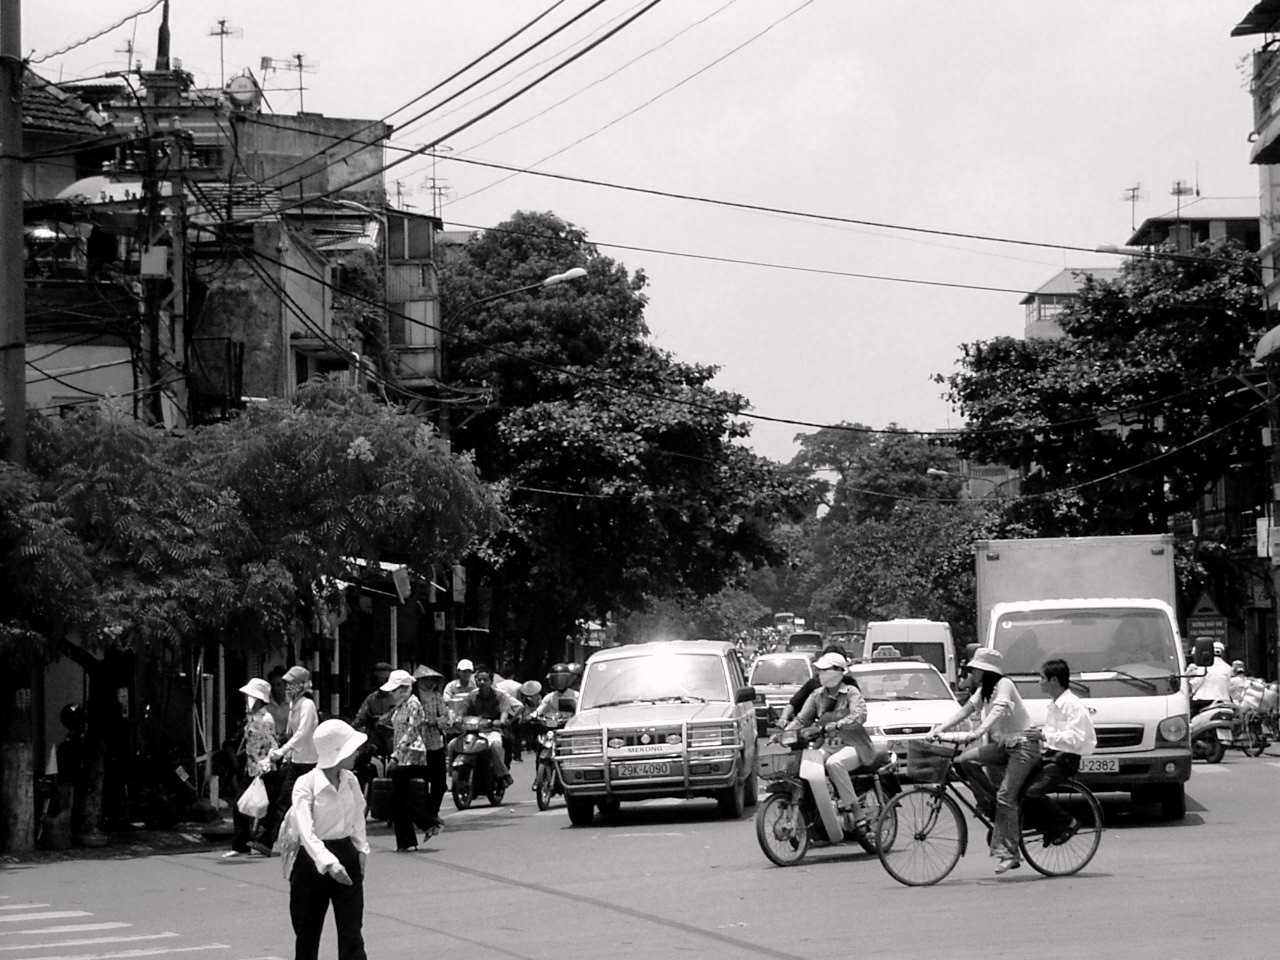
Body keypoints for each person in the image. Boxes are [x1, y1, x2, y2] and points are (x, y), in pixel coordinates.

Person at [931, 647, 1040, 875]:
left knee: (1006, 796)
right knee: (966, 761)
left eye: (975, 669)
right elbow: (966, 710)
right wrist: (939, 729)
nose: (972, 672)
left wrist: (979, 731)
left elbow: (999, 710)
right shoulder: (984, 690)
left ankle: (1010, 854)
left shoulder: (1005, 685)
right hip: (1004, 745)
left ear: (985, 670)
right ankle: (990, 805)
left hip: (1023, 747)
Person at [289, 719, 369, 960]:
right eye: (351, 749)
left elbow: (358, 819)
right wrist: (328, 863)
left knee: (352, 933)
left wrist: (361, 852)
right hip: (311, 862)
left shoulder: (351, 780)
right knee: (307, 934)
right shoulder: (306, 784)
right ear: (338, 752)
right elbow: (306, 831)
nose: (356, 754)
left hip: (347, 853)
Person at [783, 652, 879, 837]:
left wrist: (839, 724)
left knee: (834, 763)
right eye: (820, 670)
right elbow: (802, 719)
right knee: (808, 764)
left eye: (825, 670)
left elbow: (860, 715)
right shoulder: (817, 695)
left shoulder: (851, 692)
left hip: (854, 746)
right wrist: (785, 732)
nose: (821, 673)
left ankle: (857, 810)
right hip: (828, 745)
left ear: (838, 672)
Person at [1022, 658, 1096, 847]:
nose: (1039, 681)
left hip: (1065, 761)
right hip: (1050, 757)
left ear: (1054, 680)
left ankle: (1067, 822)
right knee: (1018, 787)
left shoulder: (1073, 705)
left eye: (1042, 677)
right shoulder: (1054, 705)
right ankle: (1045, 825)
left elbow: (1075, 739)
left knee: (1032, 793)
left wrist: (1043, 735)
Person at [380, 670, 437, 852]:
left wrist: (396, 754)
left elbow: (412, 732)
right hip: (401, 755)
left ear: (404, 689)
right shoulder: (400, 706)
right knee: (399, 800)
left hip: (411, 755)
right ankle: (407, 841)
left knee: (397, 798)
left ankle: (428, 823)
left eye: (395, 690)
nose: (392, 694)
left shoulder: (414, 705)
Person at [265, 665, 320, 852]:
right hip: (295, 761)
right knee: (283, 801)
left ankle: (313, 840)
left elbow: (302, 733)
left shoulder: (307, 705)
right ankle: (266, 841)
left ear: (301, 685)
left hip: (310, 763)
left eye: (291, 684)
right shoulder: (293, 705)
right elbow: (290, 733)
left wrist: (282, 750)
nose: (287, 687)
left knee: (309, 804)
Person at [229, 678, 280, 858]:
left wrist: (266, 762)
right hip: (251, 769)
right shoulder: (252, 718)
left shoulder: (266, 719)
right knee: (242, 806)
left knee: (265, 809)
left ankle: (261, 840)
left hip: (263, 770)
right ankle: (241, 844)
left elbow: (274, 744)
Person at [448, 666, 517, 788]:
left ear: (491, 681)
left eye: (485, 680)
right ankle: (453, 775)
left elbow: (504, 712)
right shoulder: (471, 696)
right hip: (473, 732)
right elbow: (462, 712)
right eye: (479, 680)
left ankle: (503, 774)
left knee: (495, 746)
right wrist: (457, 720)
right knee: (452, 745)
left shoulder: (500, 696)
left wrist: (500, 721)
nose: (482, 682)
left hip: (492, 731)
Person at [777, 644, 857, 727]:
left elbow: (858, 714)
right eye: (823, 669)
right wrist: (785, 723)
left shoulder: (851, 690)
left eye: (828, 668)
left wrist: (839, 724)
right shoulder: (816, 693)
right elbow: (801, 716)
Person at [412, 665, 450, 833]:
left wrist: (434, 722)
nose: (431, 682)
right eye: (428, 680)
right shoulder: (412, 698)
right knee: (419, 783)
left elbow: (445, 718)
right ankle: (422, 815)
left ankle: (432, 812)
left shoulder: (436, 697)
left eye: (433, 680)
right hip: (416, 745)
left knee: (440, 784)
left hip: (435, 744)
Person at [351, 662, 396, 791]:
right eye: (379, 680)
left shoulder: (396, 698)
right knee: (361, 758)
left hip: (393, 737)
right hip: (374, 738)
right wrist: (350, 728)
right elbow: (360, 718)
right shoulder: (371, 699)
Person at [1190, 641, 1233, 716]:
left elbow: (1198, 681)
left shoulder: (1204, 665)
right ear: (1222, 653)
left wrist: (1191, 687)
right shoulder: (1228, 667)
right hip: (1223, 700)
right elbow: (1227, 687)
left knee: (1191, 718)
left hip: (1203, 699)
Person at [266, 666, 291, 741]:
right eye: (273, 685)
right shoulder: (266, 703)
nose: (276, 688)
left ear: (285, 685)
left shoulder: (293, 704)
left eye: (279, 684)